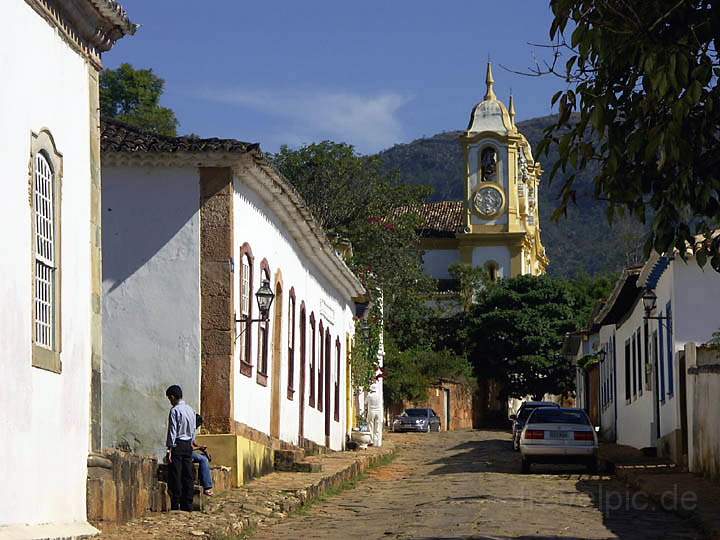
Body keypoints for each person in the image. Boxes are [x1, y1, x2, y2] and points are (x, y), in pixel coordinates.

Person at [165, 385, 196, 511]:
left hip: (177, 444)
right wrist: (192, 441)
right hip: (188, 444)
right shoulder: (191, 410)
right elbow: (194, 429)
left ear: (172, 397)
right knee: (188, 474)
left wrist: (170, 448)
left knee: (176, 473)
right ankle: (188, 503)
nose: (170, 401)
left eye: (169, 399)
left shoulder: (174, 411)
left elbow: (173, 430)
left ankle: (176, 502)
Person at [192, 414, 213, 496]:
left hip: (190, 451)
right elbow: (188, 448)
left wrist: (203, 449)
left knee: (205, 457)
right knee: (203, 460)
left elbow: (193, 443)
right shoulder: (188, 430)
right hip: (185, 452)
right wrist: (199, 448)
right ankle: (207, 487)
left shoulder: (193, 431)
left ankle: (204, 480)